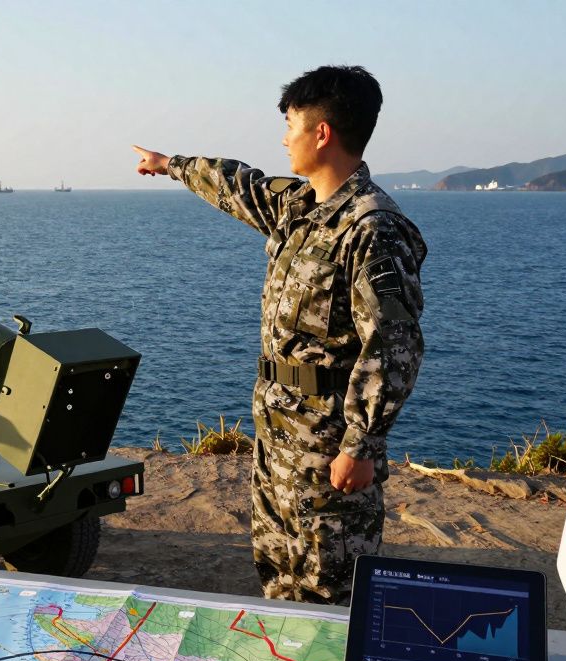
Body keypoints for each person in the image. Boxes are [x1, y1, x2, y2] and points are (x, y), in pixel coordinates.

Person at [133, 65, 426, 604]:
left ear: (322, 132)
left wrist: (361, 444)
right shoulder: (300, 208)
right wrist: (170, 164)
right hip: (279, 431)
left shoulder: (373, 228)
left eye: (290, 123)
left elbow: (392, 345)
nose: (283, 137)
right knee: (279, 572)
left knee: (330, 583)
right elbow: (238, 184)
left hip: (327, 442)